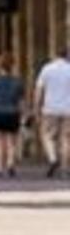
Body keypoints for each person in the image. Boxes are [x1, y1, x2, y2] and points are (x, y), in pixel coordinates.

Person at [0, 55, 26, 178]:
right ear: (12, 66)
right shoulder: (18, 82)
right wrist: (24, 114)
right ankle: (10, 163)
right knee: (11, 141)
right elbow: (21, 102)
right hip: (13, 113)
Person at [38, 45, 70, 179]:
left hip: (50, 108)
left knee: (46, 135)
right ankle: (65, 168)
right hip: (68, 109)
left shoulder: (47, 69)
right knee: (66, 138)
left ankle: (52, 158)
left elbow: (39, 89)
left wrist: (36, 106)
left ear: (56, 55)